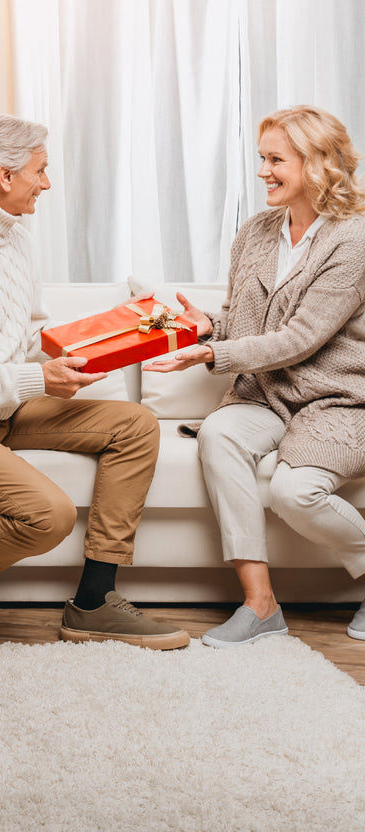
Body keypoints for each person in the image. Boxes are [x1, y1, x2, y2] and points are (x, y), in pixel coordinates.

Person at [0, 113, 190, 650]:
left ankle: (94, 601)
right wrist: (38, 379)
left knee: (136, 425)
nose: (47, 184)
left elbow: (26, 334)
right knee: (48, 515)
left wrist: (93, 345)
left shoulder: (17, 240)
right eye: (40, 170)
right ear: (5, 176)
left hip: (1, 409)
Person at [144, 105, 365, 647]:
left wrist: (212, 354)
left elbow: (299, 338)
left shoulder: (354, 240)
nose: (263, 171)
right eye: (262, 158)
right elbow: (244, 322)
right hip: (266, 393)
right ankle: (260, 604)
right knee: (219, 434)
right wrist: (206, 326)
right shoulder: (257, 231)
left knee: (295, 493)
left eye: (276, 160)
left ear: (317, 162)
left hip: (336, 397)